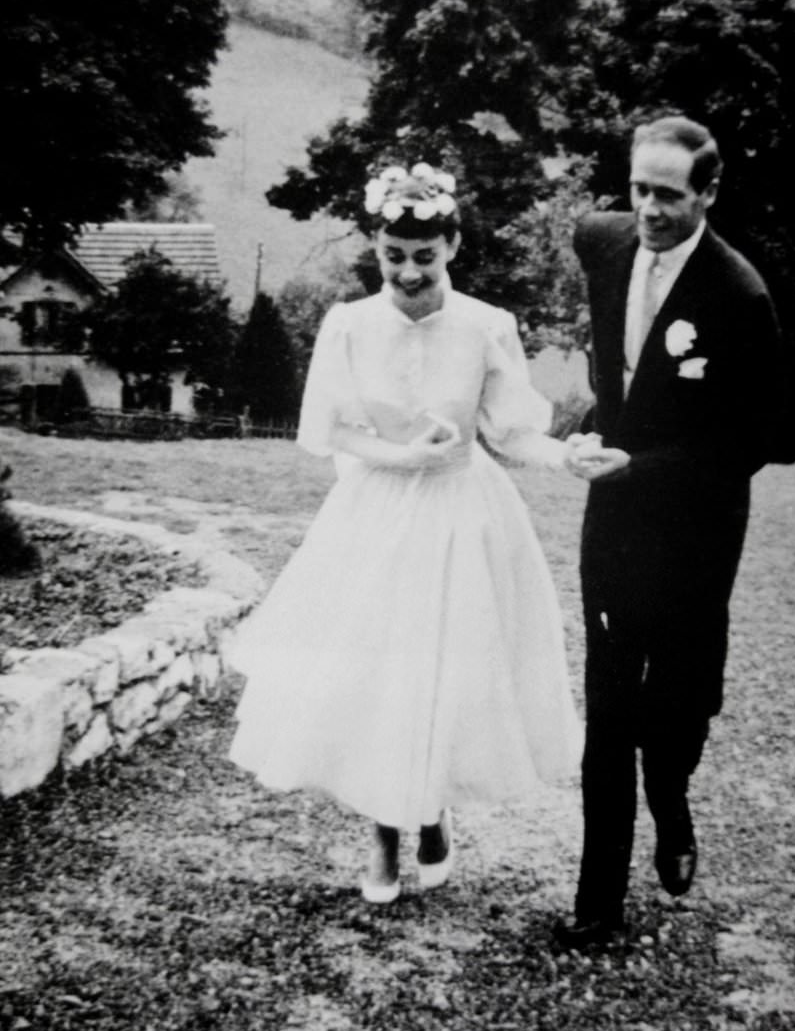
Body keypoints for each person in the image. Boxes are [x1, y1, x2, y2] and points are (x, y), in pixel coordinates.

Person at [228, 163, 582, 904]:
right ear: (376, 248)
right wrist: (400, 455)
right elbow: (326, 432)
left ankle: (433, 810)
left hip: (463, 512)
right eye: (394, 255)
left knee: (447, 673)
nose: (409, 271)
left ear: (452, 244)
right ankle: (386, 835)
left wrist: (569, 455)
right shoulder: (348, 325)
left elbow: (512, 433)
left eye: (425, 255)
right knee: (380, 678)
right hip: (378, 515)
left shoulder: (487, 326)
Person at [554, 116, 782, 949]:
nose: (647, 210)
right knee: (610, 701)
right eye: (638, 189)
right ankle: (597, 902)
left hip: (695, 530)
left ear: (709, 193)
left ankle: (672, 795)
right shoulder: (601, 241)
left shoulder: (739, 296)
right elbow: (624, 380)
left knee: (678, 708)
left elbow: (747, 445)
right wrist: (590, 423)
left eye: (668, 195)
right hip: (611, 522)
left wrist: (635, 465)